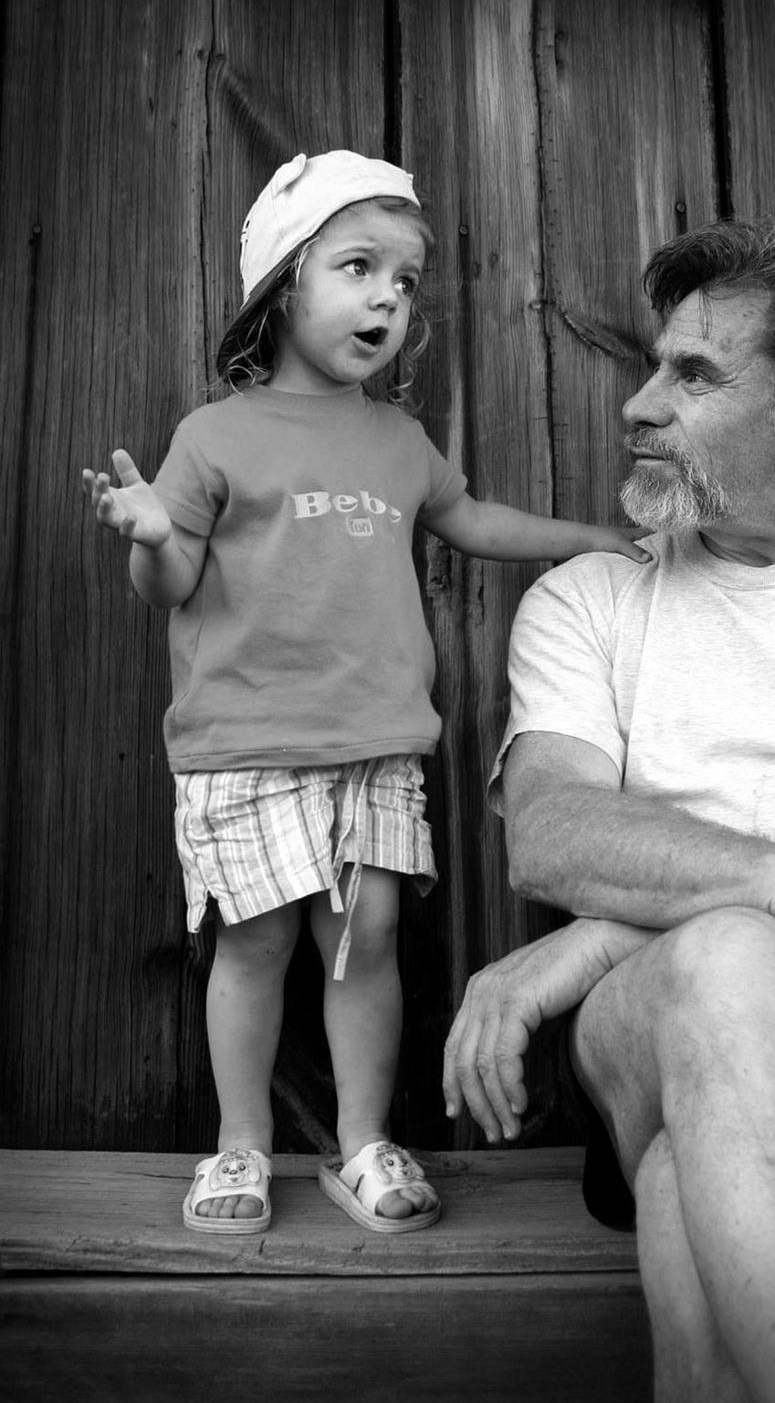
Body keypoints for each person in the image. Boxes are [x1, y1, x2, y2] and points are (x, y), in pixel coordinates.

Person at [81, 150, 646, 1236]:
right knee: (254, 946)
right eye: (358, 266)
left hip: (377, 745)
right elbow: (173, 584)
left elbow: (469, 520)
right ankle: (241, 1143)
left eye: (406, 279)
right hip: (244, 744)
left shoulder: (396, 439)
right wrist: (150, 535)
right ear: (282, 283)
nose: (388, 296)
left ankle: (361, 1142)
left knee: (368, 939)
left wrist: (583, 538)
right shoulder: (213, 435)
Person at [443, 213, 775, 1401]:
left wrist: (606, 929)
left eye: (694, 376)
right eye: (654, 365)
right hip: (649, 1024)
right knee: (731, 964)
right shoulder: (590, 600)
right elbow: (554, 832)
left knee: (683, 1198)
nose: (638, 405)